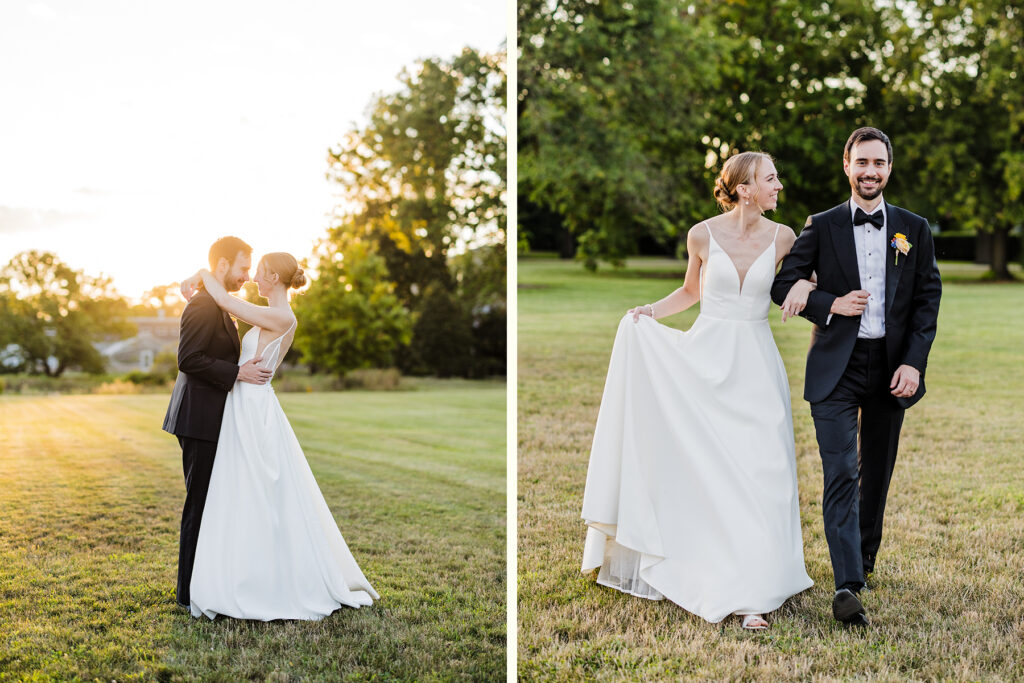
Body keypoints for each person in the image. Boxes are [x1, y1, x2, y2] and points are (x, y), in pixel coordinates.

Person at [581, 152, 815, 630]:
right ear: (745, 187)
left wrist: (807, 289)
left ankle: (758, 588)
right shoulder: (702, 234)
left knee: (764, 471)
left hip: (757, 363)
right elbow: (690, 293)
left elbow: (808, 279)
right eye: (771, 178)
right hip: (706, 359)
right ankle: (713, 568)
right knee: (710, 470)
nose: (779, 185)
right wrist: (647, 312)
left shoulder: (786, 237)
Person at [771, 127, 941, 627]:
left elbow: (927, 301)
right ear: (846, 165)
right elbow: (782, 283)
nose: (870, 172)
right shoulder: (820, 226)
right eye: (861, 162)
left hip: (892, 368)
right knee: (842, 471)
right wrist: (829, 303)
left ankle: (863, 560)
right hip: (835, 370)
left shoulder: (915, 227)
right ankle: (846, 585)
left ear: (889, 168)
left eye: (879, 164)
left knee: (876, 472)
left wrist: (914, 362)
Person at [178, 251, 378, 620]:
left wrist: (201, 272)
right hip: (244, 403)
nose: (253, 275)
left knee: (256, 488)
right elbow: (225, 306)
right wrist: (199, 279)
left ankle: (262, 579)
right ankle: (236, 570)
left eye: (259, 271)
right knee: (242, 489)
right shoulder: (270, 312)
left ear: (272, 277)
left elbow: (223, 300)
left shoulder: (281, 315)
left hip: (253, 408)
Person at [162, 236, 272, 609]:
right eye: (243, 268)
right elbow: (188, 359)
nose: (246, 276)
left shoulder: (218, 302)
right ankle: (187, 594)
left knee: (212, 502)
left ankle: (206, 583)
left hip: (212, 417)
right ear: (222, 266)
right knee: (200, 503)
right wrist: (237, 373)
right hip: (198, 419)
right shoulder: (204, 305)